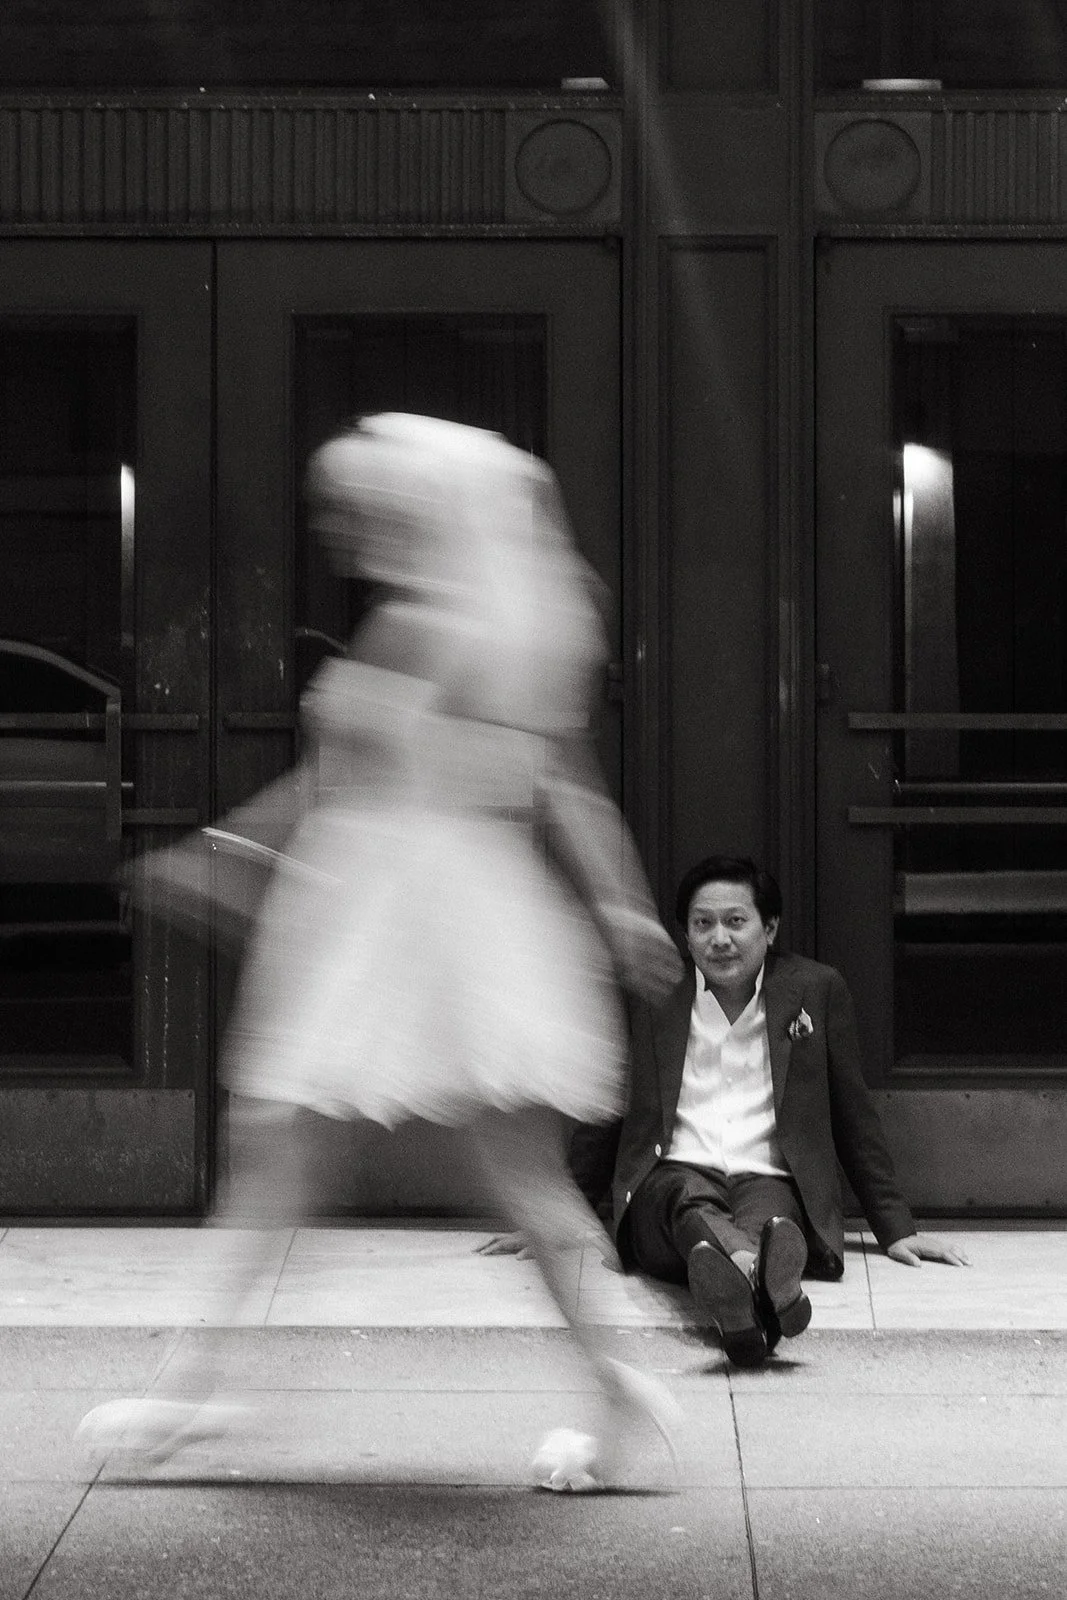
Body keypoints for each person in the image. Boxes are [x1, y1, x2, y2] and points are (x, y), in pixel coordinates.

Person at [77, 414, 683, 1490]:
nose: (338, 527)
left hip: (388, 919)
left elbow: (334, 781)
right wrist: (620, 904)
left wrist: (212, 856)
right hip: (465, 918)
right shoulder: (493, 635)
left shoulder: (413, 627)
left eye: (353, 508)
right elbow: (558, 781)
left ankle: (192, 1388)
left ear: (408, 512)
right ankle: (615, 1384)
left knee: (284, 1150)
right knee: (502, 1174)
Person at [612, 854, 969, 1366]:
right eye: (703, 924)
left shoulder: (815, 989)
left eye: (736, 921)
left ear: (770, 928)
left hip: (766, 1175)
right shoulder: (656, 996)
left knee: (776, 1219)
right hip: (671, 1179)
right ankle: (759, 1277)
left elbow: (852, 1114)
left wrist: (896, 1228)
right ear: (685, 934)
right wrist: (560, 1210)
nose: (719, 938)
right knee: (687, 1202)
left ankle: (740, 1308)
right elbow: (610, 1106)